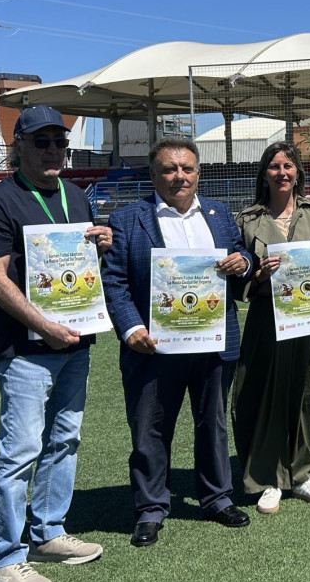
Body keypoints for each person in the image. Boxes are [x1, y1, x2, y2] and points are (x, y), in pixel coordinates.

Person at [0, 106, 107, 582]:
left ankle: (47, 533)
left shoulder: (75, 196)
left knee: (64, 440)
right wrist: (43, 326)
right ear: (19, 146)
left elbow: (80, 264)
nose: (53, 150)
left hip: (74, 342)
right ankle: (3, 561)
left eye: (59, 141)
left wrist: (102, 243)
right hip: (24, 350)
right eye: (42, 141)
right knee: (19, 452)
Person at [102, 137, 253, 548]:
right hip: (154, 347)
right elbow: (113, 281)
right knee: (150, 428)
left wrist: (244, 263)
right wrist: (132, 328)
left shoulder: (220, 215)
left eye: (186, 168)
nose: (179, 176)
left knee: (214, 425)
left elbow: (241, 257)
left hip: (213, 342)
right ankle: (151, 508)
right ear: (153, 174)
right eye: (169, 169)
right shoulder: (128, 219)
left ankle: (217, 498)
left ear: (198, 173)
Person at [231, 141, 310, 514]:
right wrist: (257, 273)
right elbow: (239, 282)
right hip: (267, 321)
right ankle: (268, 478)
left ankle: (302, 474)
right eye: (274, 166)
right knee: (262, 396)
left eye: (288, 165)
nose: (282, 172)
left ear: (298, 172)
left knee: (302, 397)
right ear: (264, 173)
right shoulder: (247, 219)